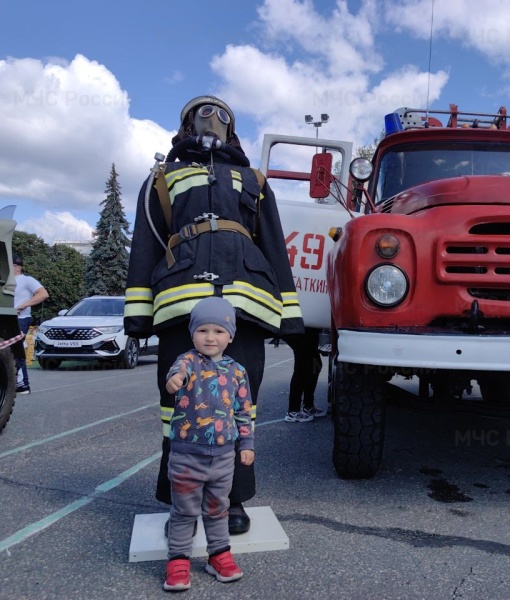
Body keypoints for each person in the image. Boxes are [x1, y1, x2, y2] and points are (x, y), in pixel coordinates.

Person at [124, 95, 303, 535]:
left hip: (245, 301)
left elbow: (274, 244)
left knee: (239, 403)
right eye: (203, 112)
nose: (213, 119)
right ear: (186, 124)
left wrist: (290, 315)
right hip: (181, 303)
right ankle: (180, 498)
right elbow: (145, 243)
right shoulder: (162, 178)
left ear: (232, 127)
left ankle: (232, 499)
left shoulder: (254, 179)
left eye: (222, 114)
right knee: (177, 404)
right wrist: (137, 315)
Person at [162, 297, 253, 591]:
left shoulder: (237, 371)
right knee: (184, 511)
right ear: (192, 334)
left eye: (218, 330)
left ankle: (219, 555)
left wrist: (247, 443)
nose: (210, 337)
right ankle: (178, 561)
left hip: (224, 457)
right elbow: (176, 372)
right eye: (202, 330)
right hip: (187, 455)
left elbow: (243, 411)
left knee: (218, 509)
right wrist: (175, 380)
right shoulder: (187, 361)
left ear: (230, 335)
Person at [12, 254, 49, 395]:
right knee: (9, 349)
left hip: (21, 319)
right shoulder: (5, 282)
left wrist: (22, 305)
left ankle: (22, 384)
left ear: (18, 267)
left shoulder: (27, 280)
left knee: (16, 348)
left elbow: (43, 294)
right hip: (8, 318)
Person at [284, 328, 326, 422]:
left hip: (308, 328)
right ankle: (293, 411)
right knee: (302, 366)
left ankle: (308, 406)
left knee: (315, 364)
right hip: (298, 328)